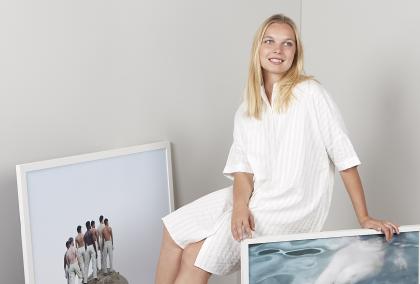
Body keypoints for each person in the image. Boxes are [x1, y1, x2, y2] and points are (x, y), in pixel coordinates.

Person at [155, 14, 400, 284]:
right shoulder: (247, 109)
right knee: (172, 230)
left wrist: (363, 217)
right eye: (270, 41)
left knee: (195, 254)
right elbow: (243, 171)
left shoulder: (311, 94)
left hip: (289, 209)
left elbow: (345, 158)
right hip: (254, 196)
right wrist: (239, 206)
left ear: (296, 53)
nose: (278, 50)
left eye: (288, 44)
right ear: (258, 48)